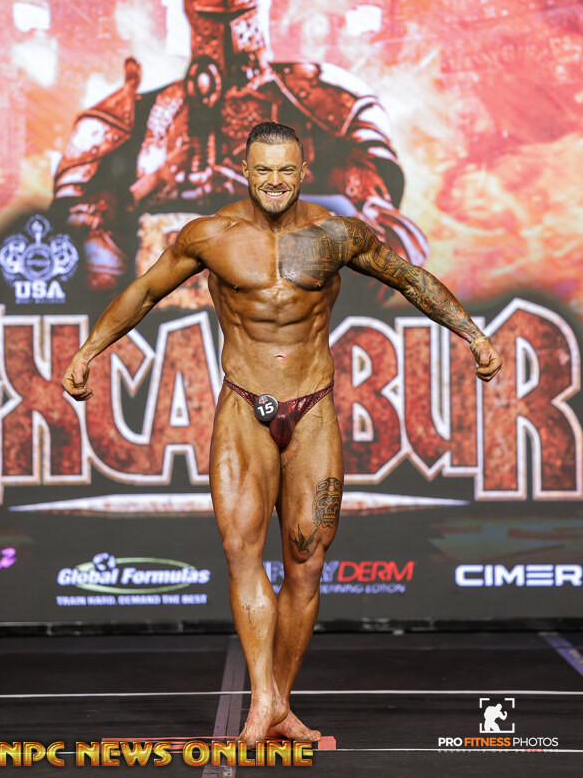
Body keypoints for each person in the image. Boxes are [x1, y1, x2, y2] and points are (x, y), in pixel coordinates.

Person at [61, 121, 502, 745]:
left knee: (306, 561)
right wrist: (88, 352)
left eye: (286, 170)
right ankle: (263, 699)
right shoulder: (210, 235)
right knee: (241, 552)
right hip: (245, 407)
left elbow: (409, 278)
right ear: (245, 169)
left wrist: (474, 335)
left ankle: (279, 703)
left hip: (313, 408)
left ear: (302, 171)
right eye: (263, 169)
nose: (274, 181)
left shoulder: (335, 234)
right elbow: (144, 292)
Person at [51, 0, 426, 292]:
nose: (226, 34)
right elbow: (69, 240)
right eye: (212, 19)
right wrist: (147, 193)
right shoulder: (131, 115)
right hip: (168, 303)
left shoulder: (328, 102)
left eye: (238, 16)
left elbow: (391, 238)